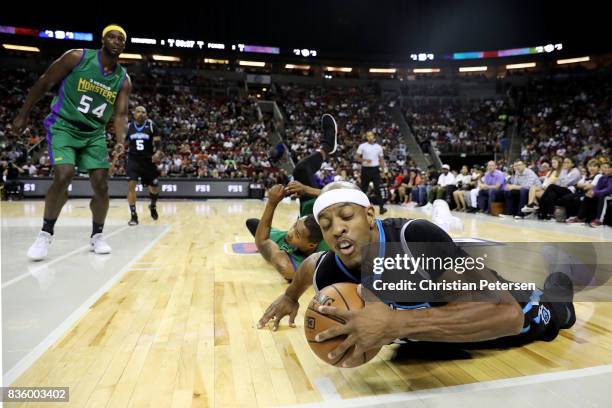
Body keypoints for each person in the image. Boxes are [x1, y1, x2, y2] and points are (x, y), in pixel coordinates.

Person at [257, 182, 575, 367]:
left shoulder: (414, 239)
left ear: (369, 215)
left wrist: (398, 324)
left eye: (345, 216)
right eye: (326, 225)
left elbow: (505, 315)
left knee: (548, 317)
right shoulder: (327, 267)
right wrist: (289, 298)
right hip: (430, 335)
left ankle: (558, 294)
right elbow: (309, 265)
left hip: (498, 314)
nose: (336, 227)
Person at [14, 25, 131, 260]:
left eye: (121, 39)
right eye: (112, 36)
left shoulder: (123, 79)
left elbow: (120, 115)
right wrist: (23, 113)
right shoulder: (77, 57)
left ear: (123, 45)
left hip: (94, 134)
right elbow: (46, 81)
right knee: (64, 174)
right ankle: (45, 234)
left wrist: (120, 140)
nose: (116, 41)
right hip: (64, 125)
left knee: (101, 185)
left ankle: (97, 235)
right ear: (103, 39)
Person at [245, 114, 337, 280]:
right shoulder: (330, 224)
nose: (290, 232)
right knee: (300, 171)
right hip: (314, 212)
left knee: (252, 224)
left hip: (307, 237)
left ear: (311, 245)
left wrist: (272, 203)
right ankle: (327, 146)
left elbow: (262, 242)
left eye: (297, 233)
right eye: (295, 226)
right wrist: (307, 189)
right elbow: (350, 195)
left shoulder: (291, 266)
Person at [125, 106, 161, 225]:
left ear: (146, 114)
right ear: (134, 114)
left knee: (154, 187)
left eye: (143, 112)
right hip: (133, 160)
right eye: (138, 111)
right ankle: (134, 216)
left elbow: (158, 144)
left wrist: (157, 152)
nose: (141, 114)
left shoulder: (151, 125)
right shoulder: (129, 126)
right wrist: (118, 148)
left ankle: (152, 206)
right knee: (131, 186)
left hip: (148, 161)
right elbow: (123, 142)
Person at [355, 131, 387, 215]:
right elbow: (356, 157)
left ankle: (381, 208)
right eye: (367, 136)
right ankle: (358, 207)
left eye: (371, 136)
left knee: (377, 189)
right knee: (363, 189)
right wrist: (364, 160)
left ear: (374, 137)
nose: (369, 137)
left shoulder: (378, 147)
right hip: (365, 169)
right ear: (366, 137)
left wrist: (383, 172)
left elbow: (382, 160)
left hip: (375, 170)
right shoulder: (362, 146)